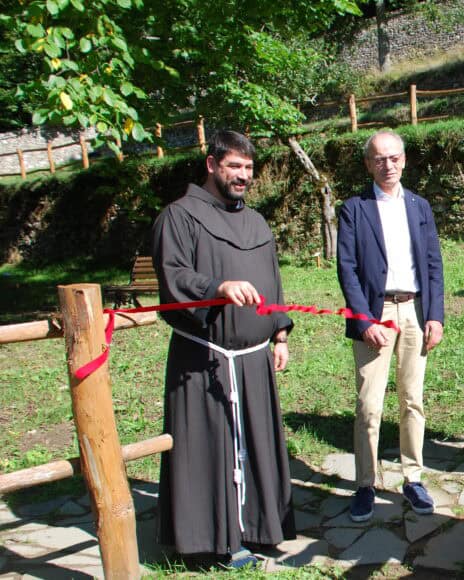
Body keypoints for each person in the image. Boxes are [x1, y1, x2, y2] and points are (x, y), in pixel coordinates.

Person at [153, 130, 295, 568]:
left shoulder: (256, 222)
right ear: (211, 164)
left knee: (255, 442)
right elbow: (173, 277)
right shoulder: (178, 217)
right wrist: (217, 287)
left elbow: (272, 280)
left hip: (253, 359)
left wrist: (280, 332)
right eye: (235, 166)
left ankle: (261, 528)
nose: (243, 176)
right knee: (211, 447)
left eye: (249, 168)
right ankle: (213, 540)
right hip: (205, 360)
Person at [337, 130, 446, 522]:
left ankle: (413, 477)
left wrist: (435, 316)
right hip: (375, 313)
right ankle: (365, 483)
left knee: (412, 400)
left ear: (404, 160)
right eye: (380, 159)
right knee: (369, 405)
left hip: (414, 311)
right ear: (368, 164)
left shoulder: (419, 206)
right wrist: (365, 321)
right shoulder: (354, 208)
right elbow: (347, 268)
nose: (389, 165)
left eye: (395, 157)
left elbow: (433, 264)